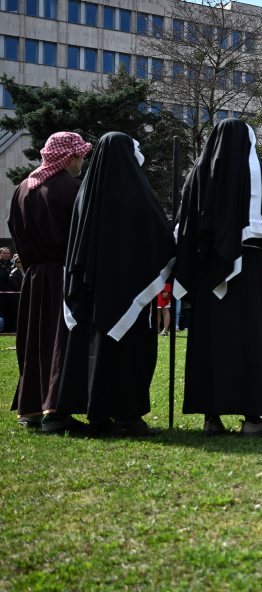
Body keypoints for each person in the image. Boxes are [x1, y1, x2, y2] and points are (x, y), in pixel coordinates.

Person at [173, 119, 262, 436]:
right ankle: (252, 419)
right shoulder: (253, 173)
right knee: (249, 341)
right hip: (249, 269)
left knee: (211, 342)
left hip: (208, 271)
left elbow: (185, 226)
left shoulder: (196, 175)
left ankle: (211, 417)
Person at [56, 132, 175, 436]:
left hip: (93, 293)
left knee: (95, 350)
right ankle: (127, 416)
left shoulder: (86, 193)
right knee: (129, 354)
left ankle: (96, 413)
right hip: (127, 292)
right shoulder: (136, 193)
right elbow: (159, 238)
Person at [7, 131, 92, 432]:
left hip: (34, 277)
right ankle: (56, 410)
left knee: (33, 342)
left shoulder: (22, 189)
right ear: (69, 157)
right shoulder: (72, 189)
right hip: (63, 275)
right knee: (59, 341)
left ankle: (30, 408)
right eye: (80, 154)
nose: (83, 159)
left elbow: (16, 233)